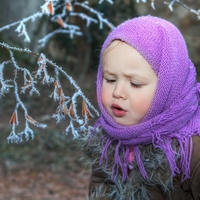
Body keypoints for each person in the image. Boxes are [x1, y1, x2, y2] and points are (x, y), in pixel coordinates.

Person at [83, 15, 200, 200]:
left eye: (135, 83)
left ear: (168, 87)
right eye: (110, 79)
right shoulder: (106, 139)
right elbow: (100, 187)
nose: (118, 92)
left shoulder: (191, 150)